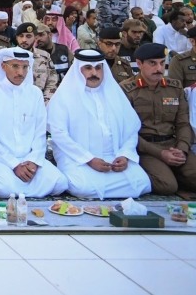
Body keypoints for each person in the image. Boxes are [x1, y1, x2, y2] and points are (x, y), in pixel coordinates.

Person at [47, 49, 152, 199]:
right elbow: (59, 136)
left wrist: (125, 155)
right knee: (83, 187)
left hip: (113, 156)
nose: (94, 73)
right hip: (77, 157)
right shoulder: (64, 97)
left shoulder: (114, 94)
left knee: (142, 183)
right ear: (78, 70)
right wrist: (89, 159)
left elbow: (131, 130)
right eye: (88, 68)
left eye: (98, 68)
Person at [0, 48, 69, 197]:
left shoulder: (35, 93)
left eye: (25, 67)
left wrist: (34, 161)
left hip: (27, 157)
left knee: (60, 183)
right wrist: (14, 164)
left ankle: (21, 189)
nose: (21, 73)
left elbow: (39, 132)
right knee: (4, 189)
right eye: (15, 66)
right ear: (3, 67)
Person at [120, 43, 196, 195]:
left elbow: (183, 124)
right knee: (166, 186)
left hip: (172, 144)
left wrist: (181, 149)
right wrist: (160, 154)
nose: (159, 69)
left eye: (162, 63)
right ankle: (172, 177)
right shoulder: (126, 90)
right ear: (140, 64)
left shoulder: (174, 87)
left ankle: (177, 173)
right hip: (144, 148)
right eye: (152, 63)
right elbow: (127, 133)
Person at [11, 23, 59, 104]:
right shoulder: (9, 57)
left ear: (35, 37)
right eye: (21, 36)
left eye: (28, 36)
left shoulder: (44, 56)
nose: (24, 40)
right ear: (16, 37)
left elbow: (52, 82)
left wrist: (44, 103)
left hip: (40, 103)